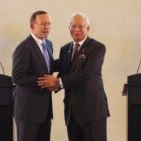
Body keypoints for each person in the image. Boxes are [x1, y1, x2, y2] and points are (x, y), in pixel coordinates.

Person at [38, 12, 110, 141]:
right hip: (72, 113)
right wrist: (36, 67)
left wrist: (58, 82)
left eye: (80, 26)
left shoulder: (97, 48)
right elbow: (58, 67)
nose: (76, 30)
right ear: (69, 28)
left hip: (92, 112)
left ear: (87, 28)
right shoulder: (66, 49)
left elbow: (87, 73)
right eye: (73, 26)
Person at [12, 10, 55, 141]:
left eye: (49, 24)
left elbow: (48, 67)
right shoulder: (24, 47)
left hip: (45, 111)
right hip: (28, 112)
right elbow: (18, 77)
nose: (47, 27)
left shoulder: (48, 44)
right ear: (32, 26)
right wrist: (43, 82)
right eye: (43, 24)